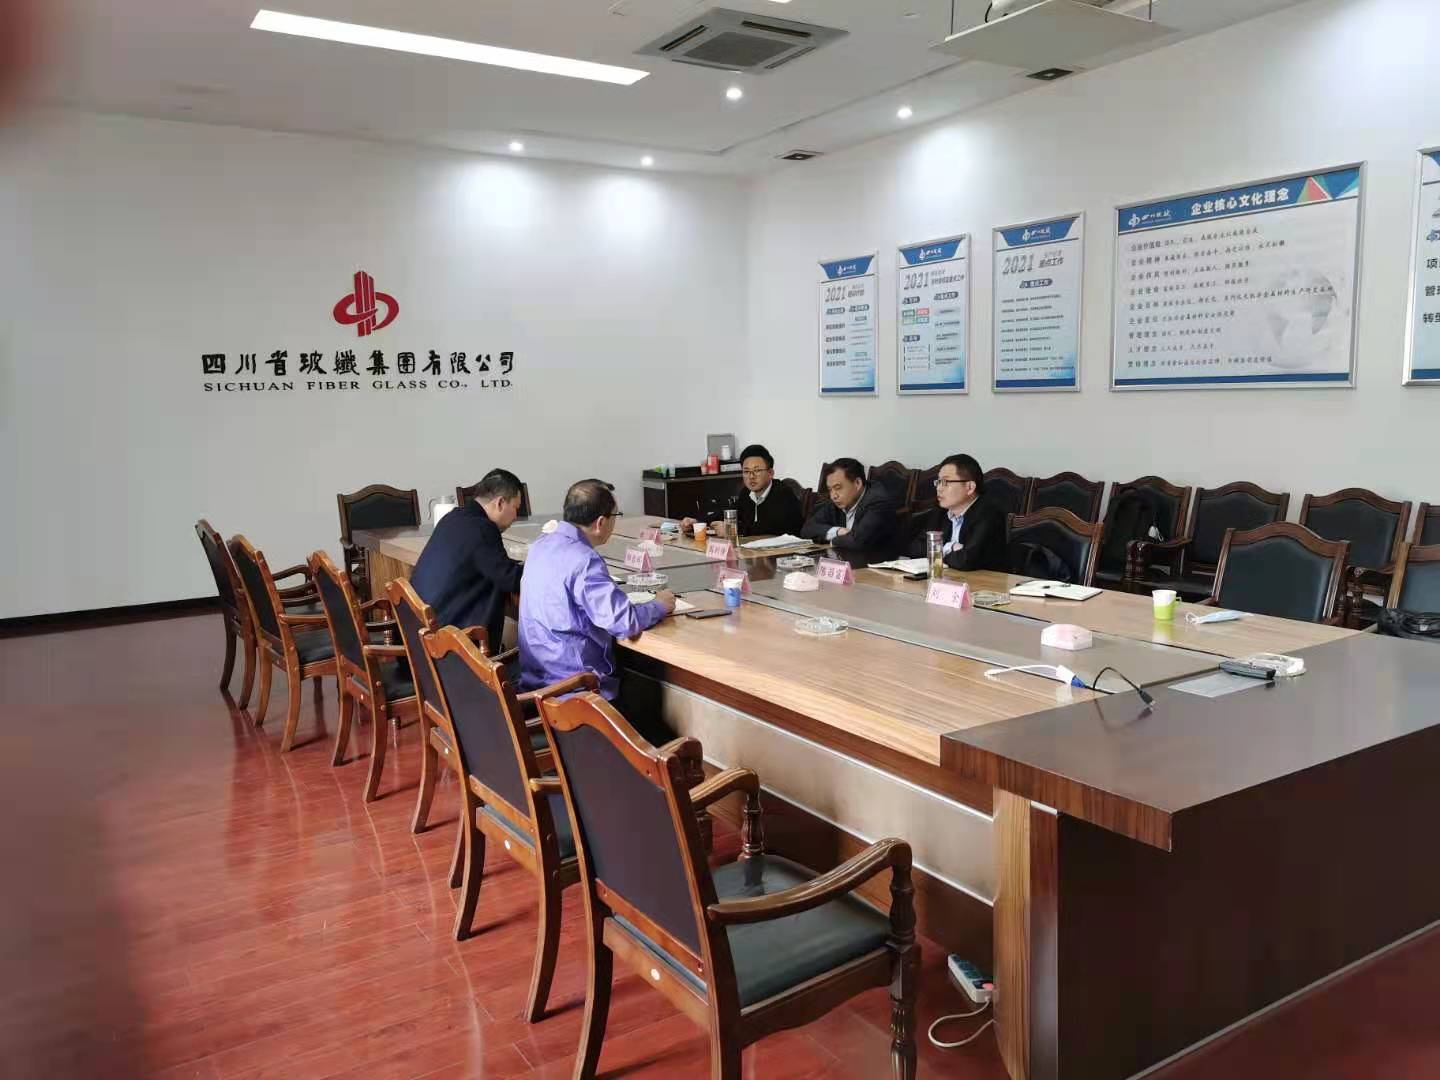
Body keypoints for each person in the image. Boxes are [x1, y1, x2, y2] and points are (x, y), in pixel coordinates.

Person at [518, 478, 676, 705]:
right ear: (601, 522)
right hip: (574, 693)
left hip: (536, 682)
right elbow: (623, 622)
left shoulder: (541, 545)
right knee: (649, 692)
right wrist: (660, 605)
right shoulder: (583, 560)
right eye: (616, 515)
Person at [409, 468, 526, 652]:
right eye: (516, 508)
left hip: (418, 637)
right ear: (500, 503)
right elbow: (510, 579)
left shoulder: (454, 517)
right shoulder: (482, 529)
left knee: (512, 629)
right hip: (446, 649)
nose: (515, 517)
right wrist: (542, 568)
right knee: (524, 640)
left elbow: (493, 563)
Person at [906, 454, 1008, 571]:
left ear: (970, 487)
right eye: (938, 482)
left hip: (983, 580)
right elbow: (915, 548)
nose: (939, 488)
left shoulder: (989, 514)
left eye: (945, 482)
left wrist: (937, 552)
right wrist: (950, 547)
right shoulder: (941, 511)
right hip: (949, 577)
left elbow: (966, 560)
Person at [680, 443, 803, 538]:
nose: (751, 476)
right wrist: (698, 522)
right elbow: (728, 512)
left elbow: (770, 527)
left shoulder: (783, 493)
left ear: (770, 473)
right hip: (757, 553)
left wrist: (731, 529)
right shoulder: (747, 493)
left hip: (786, 555)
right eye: (746, 471)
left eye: (757, 470)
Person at [800, 458, 900, 554]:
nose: (833, 496)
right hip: (849, 559)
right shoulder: (837, 502)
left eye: (838, 488)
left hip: (879, 562)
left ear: (857, 483)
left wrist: (833, 540)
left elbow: (858, 541)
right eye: (830, 489)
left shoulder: (878, 501)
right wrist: (838, 531)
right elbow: (807, 529)